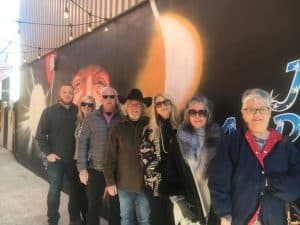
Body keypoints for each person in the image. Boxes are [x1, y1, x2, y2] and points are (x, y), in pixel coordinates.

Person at [208, 88, 300, 225]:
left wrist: (269, 182)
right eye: (250, 109)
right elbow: (219, 181)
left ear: (269, 112)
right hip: (239, 219)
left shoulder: (285, 145)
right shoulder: (231, 142)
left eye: (262, 109)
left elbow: (297, 185)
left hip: (275, 219)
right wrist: (224, 214)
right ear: (243, 114)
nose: (257, 114)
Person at [103, 88, 152, 225]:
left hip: (146, 184)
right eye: (131, 104)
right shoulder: (118, 128)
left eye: (138, 105)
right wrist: (110, 181)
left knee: (145, 220)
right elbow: (109, 157)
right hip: (124, 184)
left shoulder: (150, 126)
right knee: (126, 219)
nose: (134, 107)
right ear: (126, 107)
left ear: (142, 108)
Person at [36, 84, 82, 225]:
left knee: (75, 193)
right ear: (59, 93)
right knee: (55, 192)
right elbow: (40, 135)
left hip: (74, 161)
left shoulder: (79, 111)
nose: (68, 94)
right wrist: (48, 153)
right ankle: (53, 220)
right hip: (56, 161)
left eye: (70, 92)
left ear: (73, 94)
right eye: (65, 92)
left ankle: (74, 220)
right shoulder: (49, 112)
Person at [77, 87, 123, 225]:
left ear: (116, 99)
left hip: (116, 172)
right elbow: (82, 143)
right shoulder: (91, 118)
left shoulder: (122, 118)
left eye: (112, 96)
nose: (108, 99)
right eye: (105, 96)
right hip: (95, 169)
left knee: (116, 208)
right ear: (101, 99)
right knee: (93, 207)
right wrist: (82, 168)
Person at [175, 96, 221, 225]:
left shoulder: (218, 137)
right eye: (192, 112)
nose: (197, 116)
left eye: (202, 112)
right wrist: (180, 201)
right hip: (190, 202)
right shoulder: (179, 137)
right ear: (187, 114)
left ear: (208, 114)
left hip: (214, 200)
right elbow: (173, 171)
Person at [138, 93, 179, 225]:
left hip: (177, 184)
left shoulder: (180, 128)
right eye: (158, 104)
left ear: (171, 104)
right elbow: (144, 158)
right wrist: (162, 168)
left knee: (174, 219)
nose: (163, 106)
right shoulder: (149, 130)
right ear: (155, 108)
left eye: (165, 102)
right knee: (158, 219)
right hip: (156, 184)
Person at [74, 95, 96, 225]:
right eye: (84, 104)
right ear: (80, 106)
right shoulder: (79, 122)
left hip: (88, 164)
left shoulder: (96, 122)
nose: (87, 107)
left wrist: (85, 166)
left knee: (89, 197)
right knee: (80, 195)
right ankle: (85, 220)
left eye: (90, 105)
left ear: (94, 107)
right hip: (77, 163)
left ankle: (90, 221)